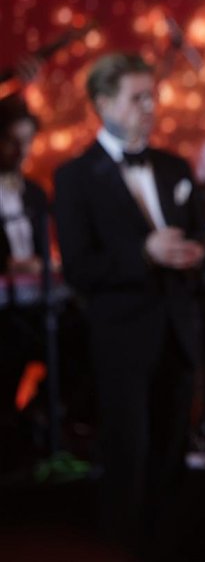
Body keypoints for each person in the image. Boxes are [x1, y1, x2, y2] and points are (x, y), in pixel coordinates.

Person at [52, 53, 205, 557]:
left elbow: (204, 239)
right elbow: (79, 267)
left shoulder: (174, 166)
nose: (149, 107)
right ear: (103, 104)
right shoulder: (75, 176)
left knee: (173, 458)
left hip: (178, 331)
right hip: (120, 338)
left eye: (152, 96)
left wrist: (195, 254)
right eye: (136, 98)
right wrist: (144, 253)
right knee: (128, 458)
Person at [0, 97, 50, 473]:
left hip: (33, 301)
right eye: (12, 141)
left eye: (27, 141)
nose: (21, 151)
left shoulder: (33, 193)